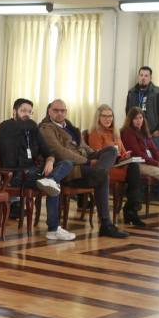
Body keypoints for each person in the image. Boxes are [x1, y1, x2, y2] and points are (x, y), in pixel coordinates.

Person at [39, 99, 129, 239]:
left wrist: (94, 156)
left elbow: (85, 148)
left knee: (110, 150)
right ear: (50, 111)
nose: (60, 113)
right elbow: (60, 152)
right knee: (103, 177)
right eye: (56, 110)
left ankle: (101, 171)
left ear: (66, 112)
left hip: (84, 162)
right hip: (70, 168)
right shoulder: (46, 128)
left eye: (63, 110)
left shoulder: (70, 127)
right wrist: (87, 162)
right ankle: (106, 224)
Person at [0, 98, 75, 241]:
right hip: (16, 175)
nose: (27, 114)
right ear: (14, 111)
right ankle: (53, 229)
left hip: (34, 171)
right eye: (23, 110)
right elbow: (27, 125)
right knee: (54, 185)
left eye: (30, 112)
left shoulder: (33, 131)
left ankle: (50, 180)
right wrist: (32, 124)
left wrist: (50, 161)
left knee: (66, 164)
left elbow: (48, 152)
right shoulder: (6, 126)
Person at [86, 105, 145, 226]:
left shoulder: (115, 133)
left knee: (134, 167)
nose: (108, 119)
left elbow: (123, 152)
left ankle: (131, 208)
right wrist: (118, 157)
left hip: (118, 165)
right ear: (98, 118)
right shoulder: (95, 134)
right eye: (104, 116)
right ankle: (131, 210)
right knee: (133, 172)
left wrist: (125, 157)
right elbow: (99, 156)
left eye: (110, 116)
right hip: (105, 169)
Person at [125, 67, 159, 156]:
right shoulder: (132, 93)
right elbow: (128, 112)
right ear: (138, 77)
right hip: (137, 134)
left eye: (146, 76)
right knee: (139, 160)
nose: (143, 78)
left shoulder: (158, 93)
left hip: (155, 134)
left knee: (157, 160)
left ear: (150, 78)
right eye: (141, 75)